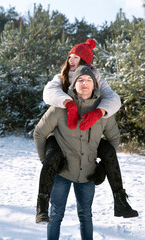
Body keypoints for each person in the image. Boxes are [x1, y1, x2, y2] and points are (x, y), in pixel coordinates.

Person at [35, 39, 138, 223]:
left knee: (107, 150)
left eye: (76, 57)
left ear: (86, 61)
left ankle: (120, 200)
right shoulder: (62, 76)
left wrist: (99, 112)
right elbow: (48, 93)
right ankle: (42, 205)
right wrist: (68, 103)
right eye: (70, 56)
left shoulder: (96, 77)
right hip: (64, 130)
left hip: (88, 131)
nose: (71, 60)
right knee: (52, 155)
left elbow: (114, 99)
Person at [33, 64, 121, 240]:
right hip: (62, 174)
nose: (85, 83)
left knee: (86, 216)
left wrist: (102, 167)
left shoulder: (103, 111)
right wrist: (48, 163)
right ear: (73, 85)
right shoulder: (60, 108)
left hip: (88, 174)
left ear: (95, 84)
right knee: (56, 215)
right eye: (80, 80)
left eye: (89, 80)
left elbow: (114, 139)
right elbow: (39, 133)